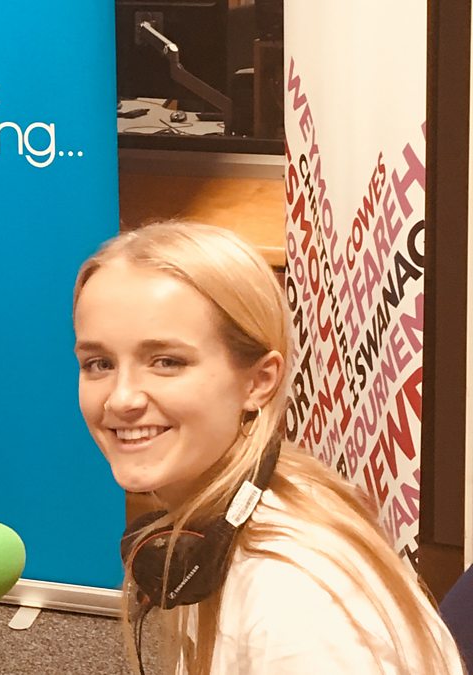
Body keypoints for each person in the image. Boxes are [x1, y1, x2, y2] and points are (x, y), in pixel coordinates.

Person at [71, 221, 463, 674]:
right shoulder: (226, 518)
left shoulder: (296, 605)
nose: (121, 399)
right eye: (99, 363)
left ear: (259, 381)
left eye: (166, 362)